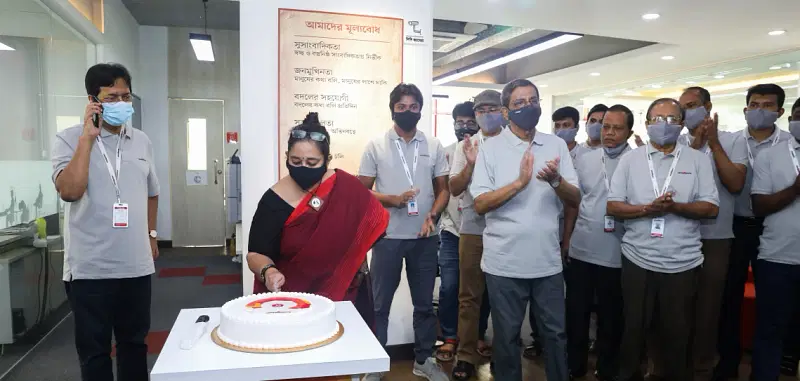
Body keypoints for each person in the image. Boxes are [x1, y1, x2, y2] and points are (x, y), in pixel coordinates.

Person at [51, 63, 160, 381]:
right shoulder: (69, 139)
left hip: (136, 267)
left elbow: (153, 193)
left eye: (126, 96)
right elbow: (69, 191)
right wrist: (88, 138)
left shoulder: (141, 141)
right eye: (112, 97)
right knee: (95, 353)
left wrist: (152, 234)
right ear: (92, 100)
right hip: (90, 270)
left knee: (134, 346)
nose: (121, 104)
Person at [471, 78, 581, 381]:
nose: (527, 107)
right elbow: (480, 203)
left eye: (533, 100)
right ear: (507, 111)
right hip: (504, 262)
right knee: (506, 339)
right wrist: (519, 183)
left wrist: (557, 181)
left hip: (546, 262)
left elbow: (576, 198)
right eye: (519, 103)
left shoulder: (556, 144)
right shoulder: (491, 148)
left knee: (556, 335)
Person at [607, 98, 719, 381]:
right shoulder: (630, 159)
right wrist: (648, 209)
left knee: (678, 335)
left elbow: (711, 207)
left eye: (671, 119)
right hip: (638, 259)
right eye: (658, 119)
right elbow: (613, 206)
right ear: (647, 124)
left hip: (683, 263)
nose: (664, 125)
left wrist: (675, 207)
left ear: (681, 124)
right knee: (633, 330)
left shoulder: (698, 160)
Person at [246, 112, 388, 329]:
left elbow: (372, 222)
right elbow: (255, 253)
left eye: (312, 162)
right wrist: (269, 272)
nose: (303, 166)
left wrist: (353, 261)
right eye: (295, 161)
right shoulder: (273, 200)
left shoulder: (344, 186)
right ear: (286, 156)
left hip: (340, 295)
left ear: (327, 160)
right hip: (290, 300)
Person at [644, 87, 747, 381]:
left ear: (708, 107)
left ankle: (701, 368)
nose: (687, 112)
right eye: (683, 107)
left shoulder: (732, 140)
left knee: (707, 309)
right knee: (669, 307)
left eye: (693, 106)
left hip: (714, 236)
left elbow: (736, 183)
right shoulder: (678, 143)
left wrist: (712, 144)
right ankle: (663, 366)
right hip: (674, 233)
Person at [358, 83, 451, 381]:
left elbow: (444, 191)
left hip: (424, 239)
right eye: (401, 107)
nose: (407, 112)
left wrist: (433, 215)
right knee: (379, 305)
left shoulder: (433, 145)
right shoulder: (376, 145)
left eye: (413, 107)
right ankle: (375, 363)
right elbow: (363, 192)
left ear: (420, 110)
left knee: (424, 305)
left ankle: (423, 360)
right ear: (392, 110)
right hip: (386, 239)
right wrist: (392, 200)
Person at [715, 84, 794, 381]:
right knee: (728, 299)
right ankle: (727, 364)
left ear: (779, 112)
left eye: (767, 105)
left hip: (773, 227)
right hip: (736, 227)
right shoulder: (731, 141)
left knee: (774, 301)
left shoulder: (790, 144)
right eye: (754, 104)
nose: (759, 110)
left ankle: (767, 367)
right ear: (745, 107)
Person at [566, 104, 634, 380]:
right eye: (606, 126)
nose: (609, 133)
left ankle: (606, 367)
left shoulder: (638, 160)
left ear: (629, 131)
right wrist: (566, 239)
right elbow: (573, 203)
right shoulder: (586, 159)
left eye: (617, 128)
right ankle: (574, 364)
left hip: (618, 251)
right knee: (576, 313)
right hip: (582, 247)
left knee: (611, 316)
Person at [449, 90, 504, 380]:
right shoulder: (466, 145)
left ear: (503, 110)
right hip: (473, 226)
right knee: (469, 295)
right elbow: (455, 188)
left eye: (491, 108)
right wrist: (470, 163)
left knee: (505, 296)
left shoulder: (516, 141)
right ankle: (466, 355)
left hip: (507, 225)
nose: (485, 113)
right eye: (480, 109)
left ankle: (503, 355)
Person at [748, 97, 800, 381]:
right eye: (799, 115)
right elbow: (759, 206)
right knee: (770, 327)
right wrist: (794, 189)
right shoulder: (771, 154)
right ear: (789, 117)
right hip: (778, 256)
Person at [435, 101, 476, 363]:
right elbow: (442, 190)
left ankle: (477, 335)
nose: (464, 127)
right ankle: (450, 336)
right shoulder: (446, 153)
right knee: (450, 287)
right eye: (459, 122)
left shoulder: (488, 150)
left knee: (475, 289)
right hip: (451, 230)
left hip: (478, 231)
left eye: (470, 122)